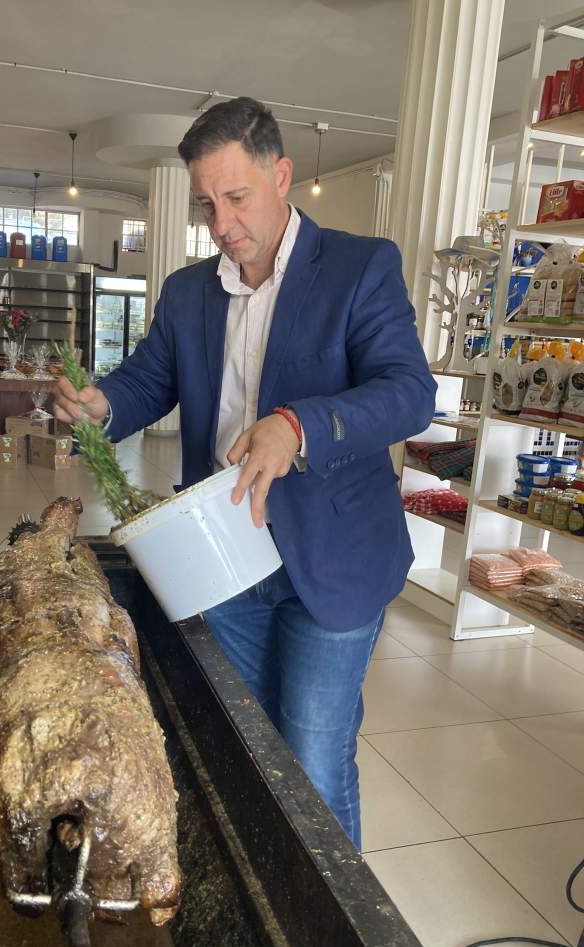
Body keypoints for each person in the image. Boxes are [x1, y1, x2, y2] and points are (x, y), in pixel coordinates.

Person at [53, 96, 436, 849]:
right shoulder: (188, 291)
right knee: (245, 741)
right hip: (223, 555)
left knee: (313, 758)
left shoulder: (360, 268)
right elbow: (149, 381)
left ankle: (330, 925)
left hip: (333, 557)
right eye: (206, 204)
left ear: (281, 175)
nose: (222, 223)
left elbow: (408, 393)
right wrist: (102, 404)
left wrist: (298, 425)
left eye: (236, 197)